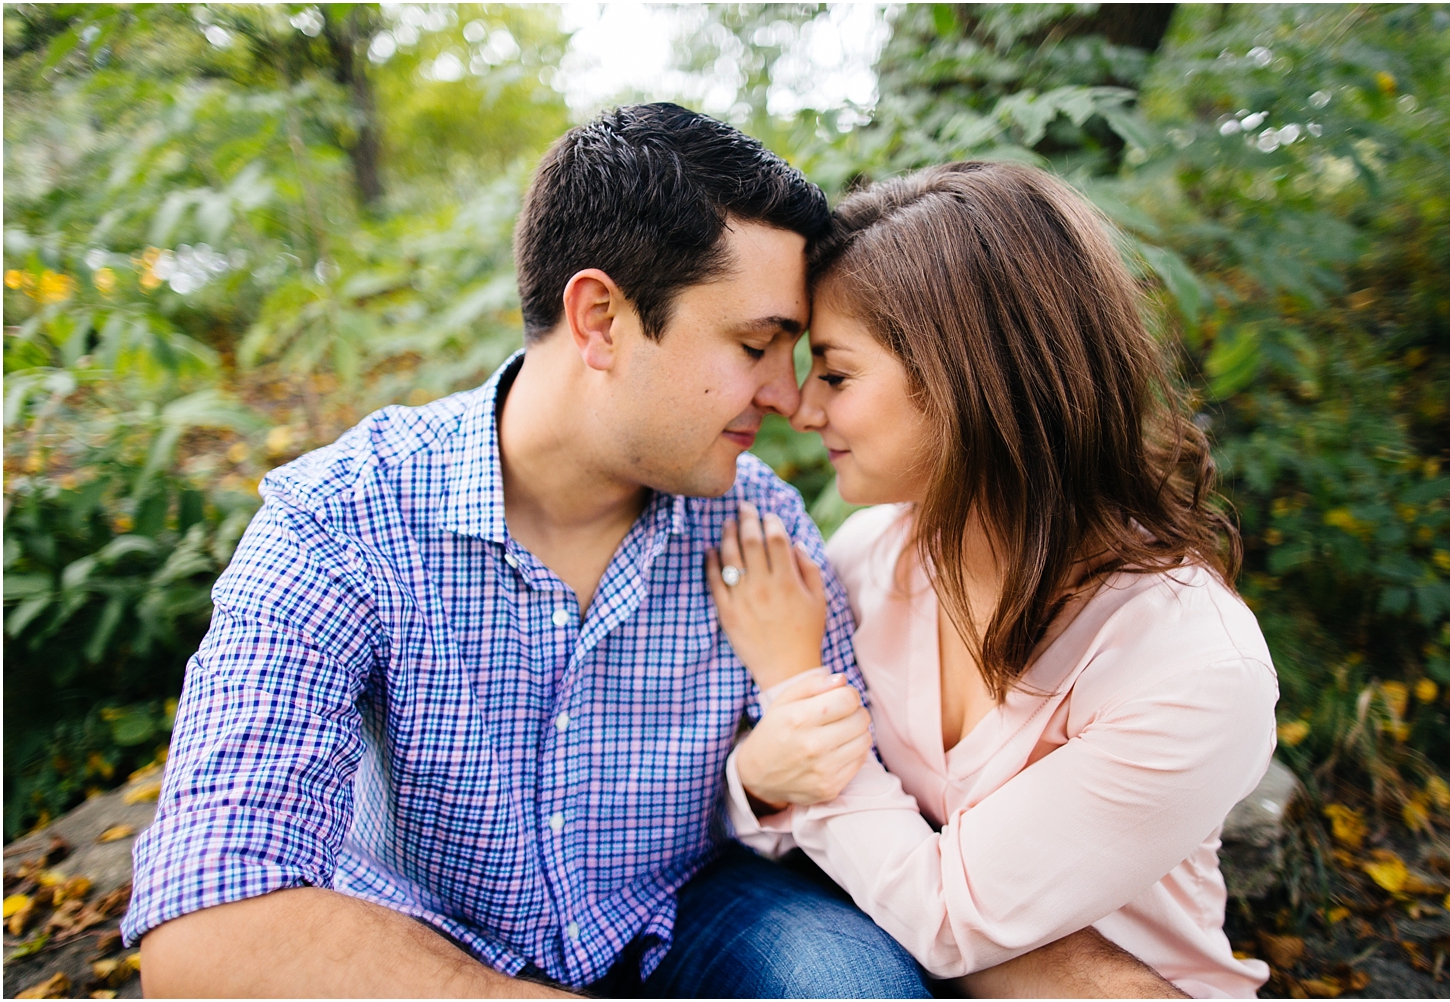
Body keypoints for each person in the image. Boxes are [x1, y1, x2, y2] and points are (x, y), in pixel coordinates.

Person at [124, 105, 1169, 999]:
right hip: (432, 943)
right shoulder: (340, 520)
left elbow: (881, 810)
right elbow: (205, 912)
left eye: (798, 356)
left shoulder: (758, 524)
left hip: (685, 910)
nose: (788, 396)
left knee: (847, 979)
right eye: (755, 346)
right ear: (601, 320)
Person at [710, 161, 1280, 998]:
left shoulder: (1192, 666)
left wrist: (797, 686)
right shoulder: (872, 554)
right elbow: (765, 816)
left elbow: (950, 919)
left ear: (966, 380)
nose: (801, 408)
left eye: (835, 373)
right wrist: (761, 774)